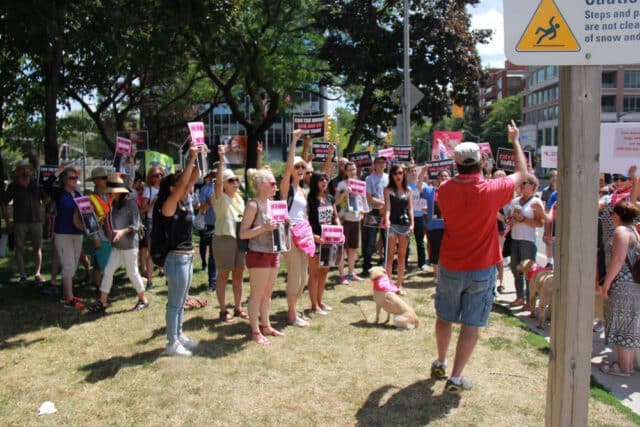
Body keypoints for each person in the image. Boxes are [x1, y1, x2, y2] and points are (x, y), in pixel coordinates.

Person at [431, 121, 527, 394]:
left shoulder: (445, 189)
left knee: (445, 317)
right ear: (480, 162)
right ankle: (456, 378)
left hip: (450, 263)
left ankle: (440, 361)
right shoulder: (491, 189)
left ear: (456, 163)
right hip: (482, 268)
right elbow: (522, 172)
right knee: (471, 325)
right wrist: (515, 140)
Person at [159, 145, 201, 356]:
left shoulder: (184, 203)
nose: (187, 188)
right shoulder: (169, 205)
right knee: (174, 303)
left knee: (181, 301)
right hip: (176, 260)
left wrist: (200, 155)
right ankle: (171, 343)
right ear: (171, 189)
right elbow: (187, 180)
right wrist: (190, 158)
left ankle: (179, 334)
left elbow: (194, 177)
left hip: (186, 258)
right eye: (181, 186)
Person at [89, 174, 148, 312]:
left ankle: (143, 299)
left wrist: (121, 232)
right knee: (108, 271)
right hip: (117, 246)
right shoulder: (114, 205)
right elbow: (111, 223)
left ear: (118, 192)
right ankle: (102, 302)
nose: (109, 194)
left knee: (132, 273)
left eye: (111, 192)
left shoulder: (130, 203)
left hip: (129, 246)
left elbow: (136, 225)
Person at [239, 168, 284, 345]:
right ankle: (255, 330)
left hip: (273, 252)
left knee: (267, 294)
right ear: (261, 185)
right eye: (273, 183)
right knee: (257, 294)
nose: (276, 186)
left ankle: (266, 326)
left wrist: (283, 223)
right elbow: (243, 234)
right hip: (257, 253)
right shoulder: (253, 205)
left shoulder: (273, 204)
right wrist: (263, 228)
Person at [599, 201, 640, 376]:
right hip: (633, 285)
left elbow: (618, 259)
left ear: (617, 215)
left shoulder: (621, 231)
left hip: (622, 284)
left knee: (621, 324)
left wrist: (607, 282)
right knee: (628, 325)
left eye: (612, 214)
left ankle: (623, 368)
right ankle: (627, 366)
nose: (610, 217)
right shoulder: (634, 232)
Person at [280, 129, 311, 327]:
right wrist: (294, 141)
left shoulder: (302, 190)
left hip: (304, 235)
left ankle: (296, 310)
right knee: (295, 276)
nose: (300, 168)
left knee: (303, 277)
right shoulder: (287, 188)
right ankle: (291, 316)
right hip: (290, 235)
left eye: (303, 166)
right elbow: (289, 165)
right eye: (297, 166)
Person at [213, 144, 247, 322]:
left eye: (236, 180)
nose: (235, 183)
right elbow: (218, 182)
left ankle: (238, 307)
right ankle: (223, 310)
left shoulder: (239, 197)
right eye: (231, 181)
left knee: (239, 274)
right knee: (223, 275)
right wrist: (221, 159)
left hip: (240, 239)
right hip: (224, 239)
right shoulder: (219, 197)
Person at [44, 165, 86, 309]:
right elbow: (47, 185)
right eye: (71, 178)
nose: (75, 180)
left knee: (73, 264)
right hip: (63, 233)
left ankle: (67, 294)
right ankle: (69, 299)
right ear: (64, 180)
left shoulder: (79, 194)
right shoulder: (59, 193)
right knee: (68, 265)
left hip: (77, 233)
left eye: (76, 177)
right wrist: (58, 172)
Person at [2, 160, 46, 283]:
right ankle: (22, 274)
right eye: (22, 168)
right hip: (19, 222)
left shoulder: (37, 184)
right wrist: (7, 221)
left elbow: (46, 199)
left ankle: (37, 273)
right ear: (17, 172)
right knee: (19, 248)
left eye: (27, 168)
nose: (25, 171)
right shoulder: (13, 186)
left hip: (36, 220)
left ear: (30, 170)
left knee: (37, 248)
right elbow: (4, 204)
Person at [506, 173, 545, 310]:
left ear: (533, 186)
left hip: (528, 240)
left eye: (525, 183)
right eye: (521, 183)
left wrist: (524, 220)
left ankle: (530, 301)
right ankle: (520, 297)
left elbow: (541, 223)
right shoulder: (515, 201)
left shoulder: (536, 202)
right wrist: (511, 219)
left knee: (529, 272)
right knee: (515, 268)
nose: (522, 186)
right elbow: (509, 221)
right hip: (515, 238)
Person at [307, 171, 340, 315]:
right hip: (315, 240)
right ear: (315, 182)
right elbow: (305, 221)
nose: (324, 182)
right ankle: (314, 305)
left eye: (326, 180)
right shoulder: (310, 199)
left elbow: (335, 217)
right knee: (314, 274)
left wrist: (339, 230)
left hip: (329, 240)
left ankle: (320, 301)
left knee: (324, 271)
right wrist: (312, 236)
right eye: (321, 180)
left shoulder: (330, 198)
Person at [384, 164, 414, 295]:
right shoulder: (388, 190)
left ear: (404, 174)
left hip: (405, 225)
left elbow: (410, 209)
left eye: (401, 173)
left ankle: (399, 285)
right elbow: (388, 207)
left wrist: (413, 224)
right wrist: (387, 219)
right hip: (393, 225)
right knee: (390, 256)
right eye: (396, 173)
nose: (398, 176)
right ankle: (389, 284)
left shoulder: (409, 191)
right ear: (392, 175)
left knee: (402, 256)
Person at [335, 161, 365, 284]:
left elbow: (362, 200)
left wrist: (363, 211)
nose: (352, 171)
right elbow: (336, 202)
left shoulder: (360, 184)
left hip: (356, 219)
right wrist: (345, 193)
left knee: (353, 248)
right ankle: (342, 275)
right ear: (345, 171)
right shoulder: (341, 184)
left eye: (354, 169)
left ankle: (351, 273)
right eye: (350, 169)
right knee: (342, 248)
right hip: (344, 219)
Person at [362, 156, 388, 277]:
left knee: (386, 239)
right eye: (379, 163)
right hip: (373, 212)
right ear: (375, 165)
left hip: (385, 212)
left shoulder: (388, 178)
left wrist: (386, 207)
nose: (381, 165)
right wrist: (382, 204)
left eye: (383, 163)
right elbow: (369, 197)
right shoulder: (369, 178)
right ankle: (366, 267)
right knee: (371, 241)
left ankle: (386, 265)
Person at [140, 166, 165, 292]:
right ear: (151, 177)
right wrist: (152, 204)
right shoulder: (148, 190)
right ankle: (149, 281)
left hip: (164, 221)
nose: (159, 177)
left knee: (166, 249)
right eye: (156, 175)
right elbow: (142, 209)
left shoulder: (165, 189)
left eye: (161, 174)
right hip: (151, 222)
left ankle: (167, 277)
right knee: (151, 252)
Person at [87, 167, 112, 290]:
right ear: (95, 181)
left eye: (106, 178)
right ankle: (97, 285)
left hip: (111, 234)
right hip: (100, 234)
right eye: (103, 178)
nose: (105, 180)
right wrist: (95, 238)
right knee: (98, 261)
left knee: (108, 261)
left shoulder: (109, 194)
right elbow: (89, 221)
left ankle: (105, 285)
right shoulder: (90, 198)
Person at [198, 170, 218, 292]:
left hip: (225, 225)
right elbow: (202, 209)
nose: (216, 178)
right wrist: (210, 201)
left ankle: (222, 280)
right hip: (211, 225)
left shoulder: (227, 187)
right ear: (210, 177)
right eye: (214, 176)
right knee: (213, 254)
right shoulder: (205, 189)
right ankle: (213, 282)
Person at [407, 163, 429, 271]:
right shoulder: (405, 185)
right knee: (406, 241)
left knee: (420, 241)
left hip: (420, 216)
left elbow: (426, 199)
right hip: (408, 216)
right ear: (407, 173)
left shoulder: (423, 185)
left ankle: (422, 263)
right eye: (412, 171)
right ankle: (404, 262)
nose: (414, 173)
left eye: (416, 170)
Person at [541, 169, 558, 268]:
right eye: (552, 177)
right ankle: (550, 262)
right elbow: (547, 210)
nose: (553, 181)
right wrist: (547, 230)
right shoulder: (553, 194)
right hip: (553, 226)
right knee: (552, 245)